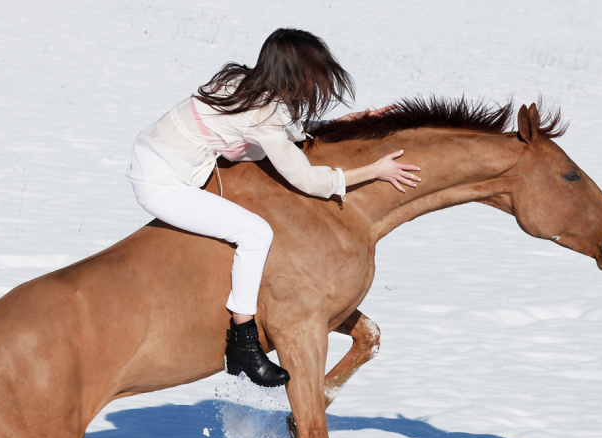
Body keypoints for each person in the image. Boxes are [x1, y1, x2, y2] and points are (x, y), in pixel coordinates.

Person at [126, 28, 421, 388]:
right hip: (163, 184)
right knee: (256, 232)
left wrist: (340, 125)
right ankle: (244, 340)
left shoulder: (243, 81)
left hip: (158, 156)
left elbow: (278, 130)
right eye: (313, 75)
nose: (317, 83)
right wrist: (375, 170)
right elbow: (307, 179)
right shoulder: (262, 113)